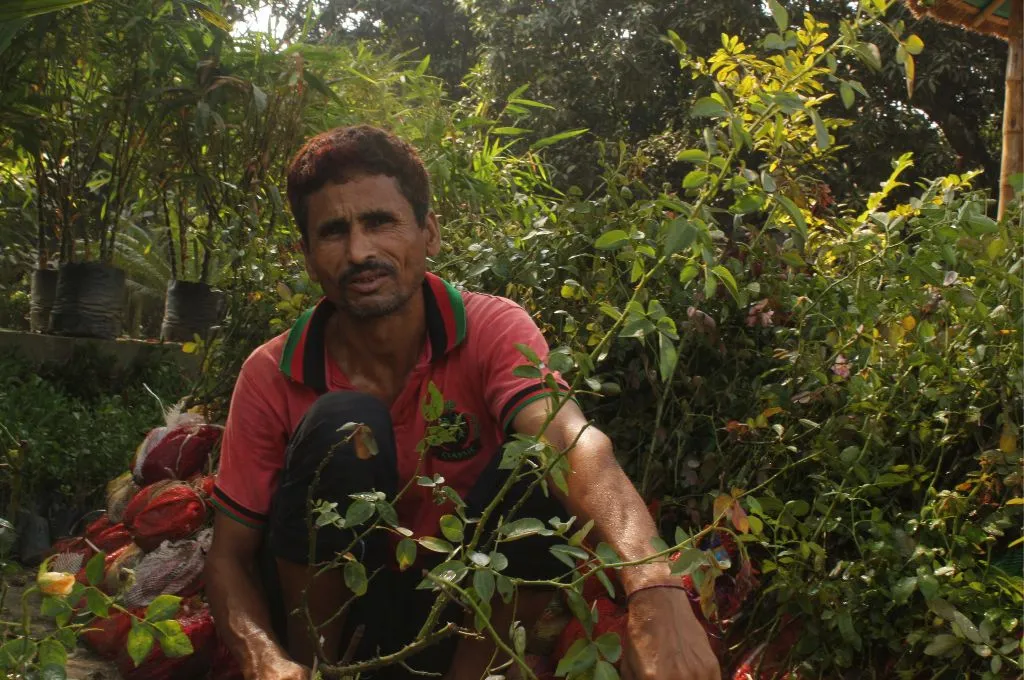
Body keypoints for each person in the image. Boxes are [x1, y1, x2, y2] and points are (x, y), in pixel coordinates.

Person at [205, 124, 719, 680]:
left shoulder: (492, 328)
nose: (359, 252)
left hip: (457, 619)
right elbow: (229, 556)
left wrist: (654, 585)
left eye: (380, 222)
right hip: (326, 624)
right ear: (308, 258)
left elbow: (573, 444)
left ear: (429, 234)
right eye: (333, 232)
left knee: (535, 466)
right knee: (344, 423)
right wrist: (264, 659)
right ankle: (322, 670)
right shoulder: (270, 373)